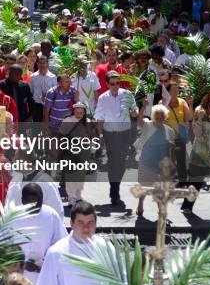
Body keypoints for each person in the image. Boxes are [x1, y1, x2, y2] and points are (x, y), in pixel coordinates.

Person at [37, 201, 115, 285]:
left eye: (90, 223)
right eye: (81, 223)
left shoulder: (106, 249)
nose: (86, 228)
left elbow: (119, 281)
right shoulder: (56, 253)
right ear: (71, 224)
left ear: (95, 224)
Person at [94, 71, 138, 205]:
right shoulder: (102, 98)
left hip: (125, 133)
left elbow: (135, 112)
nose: (115, 86)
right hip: (110, 135)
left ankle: (115, 185)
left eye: (117, 83)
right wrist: (100, 136)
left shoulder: (127, 94)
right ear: (107, 84)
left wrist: (133, 112)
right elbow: (99, 118)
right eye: (112, 84)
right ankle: (114, 191)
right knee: (113, 163)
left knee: (122, 163)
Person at [9, 183, 68, 285]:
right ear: (22, 201)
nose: (34, 208)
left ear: (42, 200)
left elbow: (62, 243)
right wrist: (20, 263)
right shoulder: (11, 217)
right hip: (17, 275)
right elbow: (2, 246)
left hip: (45, 272)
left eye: (37, 204)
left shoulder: (51, 215)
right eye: (30, 205)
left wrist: (43, 262)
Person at [181, 92, 210, 221]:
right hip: (200, 152)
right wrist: (200, 120)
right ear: (207, 105)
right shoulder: (199, 111)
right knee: (195, 181)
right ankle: (187, 206)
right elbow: (197, 134)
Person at [134, 103, 176, 216]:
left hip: (161, 165)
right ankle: (140, 204)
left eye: (161, 117)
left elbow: (172, 147)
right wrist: (143, 107)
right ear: (153, 116)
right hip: (146, 162)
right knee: (143, 186)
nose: (159, 119)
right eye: (156, 117)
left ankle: (161, 211)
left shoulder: (169, 131)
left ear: (164, 117)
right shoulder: (148, 125)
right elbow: (139, 122)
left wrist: (171, 146)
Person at [59, 102, 97, 206]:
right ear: (73, 111)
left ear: (84, 113)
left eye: (81, 112)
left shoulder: (88, 122)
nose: (79, 114)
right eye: (77, 112)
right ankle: (71, 197)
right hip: (70, 151)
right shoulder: (67, 120)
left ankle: (78, 195)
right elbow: (62, 135)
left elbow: (90, 136)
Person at [29, 55, 57, 123]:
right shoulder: (33, 76)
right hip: (37, 104)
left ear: (47, 64)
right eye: (40, 63)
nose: (42, 65)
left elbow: (55, 92)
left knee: (48, 124)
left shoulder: (53, 77)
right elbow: (31, 91)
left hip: (49, 105)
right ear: (37, 64)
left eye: (44, 63)